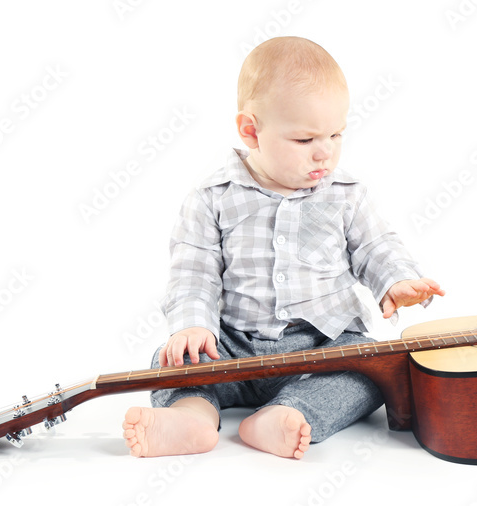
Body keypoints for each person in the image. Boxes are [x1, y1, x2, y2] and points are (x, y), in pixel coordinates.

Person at [121, 36, 444, 459]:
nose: (324, 153)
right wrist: (192, 327)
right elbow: (193, 272)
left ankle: (286, 414)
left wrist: (396, 280)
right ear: (251, 131)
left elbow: (375, 245)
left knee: (367, 374)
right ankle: (192, 417)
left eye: (336, 134)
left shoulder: (346, 195)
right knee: (170, 362)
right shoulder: (212, 198)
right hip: (232, 349)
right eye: (305, 140)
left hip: (321, 346)